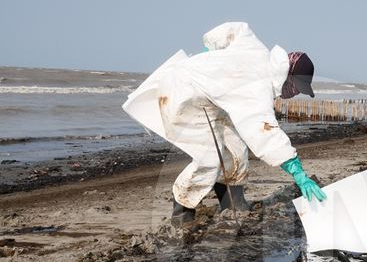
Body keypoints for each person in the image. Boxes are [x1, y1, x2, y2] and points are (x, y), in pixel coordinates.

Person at [123, 22, 326, 226]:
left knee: (236, 148)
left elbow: (235, 29)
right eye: (296, 87)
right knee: (209, 158)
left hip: (207, 97)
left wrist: (210, 52)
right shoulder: (257, 87)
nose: (294, 92)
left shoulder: (256, 50)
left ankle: (232, 203)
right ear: (288, 75)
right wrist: (297, 172)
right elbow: (265, 134)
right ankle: (182, 209)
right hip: (182, 94)